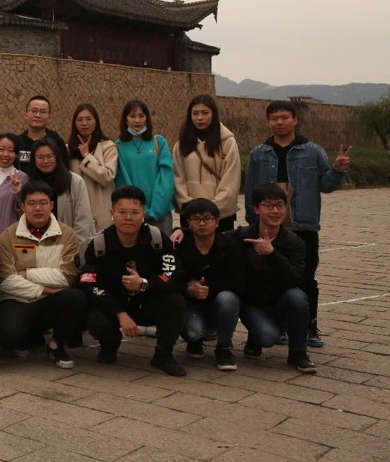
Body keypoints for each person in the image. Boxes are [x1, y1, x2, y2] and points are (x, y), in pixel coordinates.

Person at [243, 100, 350, 347]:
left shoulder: (313, 151)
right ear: (268, 122)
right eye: (274, 118)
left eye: (285, 117)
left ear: (295, 120)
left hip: (304, 225)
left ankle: (310, 326)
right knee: (272, 276)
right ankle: (280, 325)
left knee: (307, 277)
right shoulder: (259, 153)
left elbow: (326, 185)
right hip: (270, 227)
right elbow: (251, 192)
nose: (279, 122)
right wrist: (253, 222)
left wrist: (337, 170)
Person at [80, 186, 187, 376]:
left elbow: (176, 276)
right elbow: (89, 284)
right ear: (112, 213)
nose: (128, 218)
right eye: (122, 212)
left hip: (148, 302)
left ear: (143, 214)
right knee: (91, 312)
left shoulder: (157, 239)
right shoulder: (99, 244)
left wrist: (145, 283)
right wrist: (119, 313)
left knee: (175, 301)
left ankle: (163, 354)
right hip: (113, 305)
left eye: (135, 213)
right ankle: (109, 344)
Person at [0, 181, 87, 369]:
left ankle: (56, 345)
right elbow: (5, 280)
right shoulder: (8, 235)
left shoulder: (67, 234)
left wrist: (26, 273)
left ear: (51, 205)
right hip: (17, 299)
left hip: (50, 303)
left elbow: (66, 277)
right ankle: (28, 336)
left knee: (77, 298)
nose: (38, 208)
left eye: (43, 203)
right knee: (8, 337)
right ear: (23, 206)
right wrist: (45, 289)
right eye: (32, 203)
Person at [236, 183, 317, 373]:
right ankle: (254, 338)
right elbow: (213, 236)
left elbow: (297, 278)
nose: (275, 211)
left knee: (298, 297)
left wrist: (271, 253)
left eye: (280, 205)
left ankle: (298, 353)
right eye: (268, 205)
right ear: (256, 209)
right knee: (267, 337)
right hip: (251, 304)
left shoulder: (295, 242)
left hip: (279, 303)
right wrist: (183, 231)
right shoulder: (244, 235)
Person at [176, 198, 244, 371]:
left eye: (207, 218)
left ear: (217, 221)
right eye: (196, 219)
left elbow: (237, 281)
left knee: (228, 298)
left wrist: (208, 288)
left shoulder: (230, 245)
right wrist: (189, 289)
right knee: (193, 332)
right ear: (189, 222)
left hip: (219, 300)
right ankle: (195, 342)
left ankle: (224, 348)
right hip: (191, 303)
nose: (202, 223)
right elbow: (172, 278)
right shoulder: (180, 245)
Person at [173, 94, 241, 232]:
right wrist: (188, 205)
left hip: (220, 215)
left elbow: (231, 178)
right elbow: (177, 177)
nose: (200, 118)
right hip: (190, 214)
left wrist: (214, 208)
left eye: (205, 113)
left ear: (213, 114)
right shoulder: (182, 144)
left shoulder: (227, 142)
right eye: (195, 113)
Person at [114, 99, 175, 233]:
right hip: (133, 212)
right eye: (132, 116)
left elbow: (166, 177)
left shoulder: (159, 142)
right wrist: (141, 208)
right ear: (125, 120)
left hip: (161, 211)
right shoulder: (118, 146)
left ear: (147, 118)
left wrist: (156, 209)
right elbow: (123, 180)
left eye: (141, 116)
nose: (137, 120)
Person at [27, 138, 95, 245]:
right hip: (38, 245)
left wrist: (73, 249)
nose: (45, 161)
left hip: (69, 245)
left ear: (57, 157)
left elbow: (83, 220)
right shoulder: (29, 184)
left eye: (50, 156)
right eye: (40, 157)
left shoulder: (75, 182)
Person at [67, 103, 118, 232]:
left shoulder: (108, 147)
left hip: (102, 211)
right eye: (80, 120)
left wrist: (86, 156)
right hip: (76, 210)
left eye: (89, 119)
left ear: (96, 121)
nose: (84, 123)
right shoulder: (68, 149)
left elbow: (107, 177)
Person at [14, 95, 69, 172]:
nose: (38, 115)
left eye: (43, 112)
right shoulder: (17, 142)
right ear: (25, 115)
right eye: (34, 111)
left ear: (49, 117)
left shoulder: (57, 142)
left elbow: (64, 171)